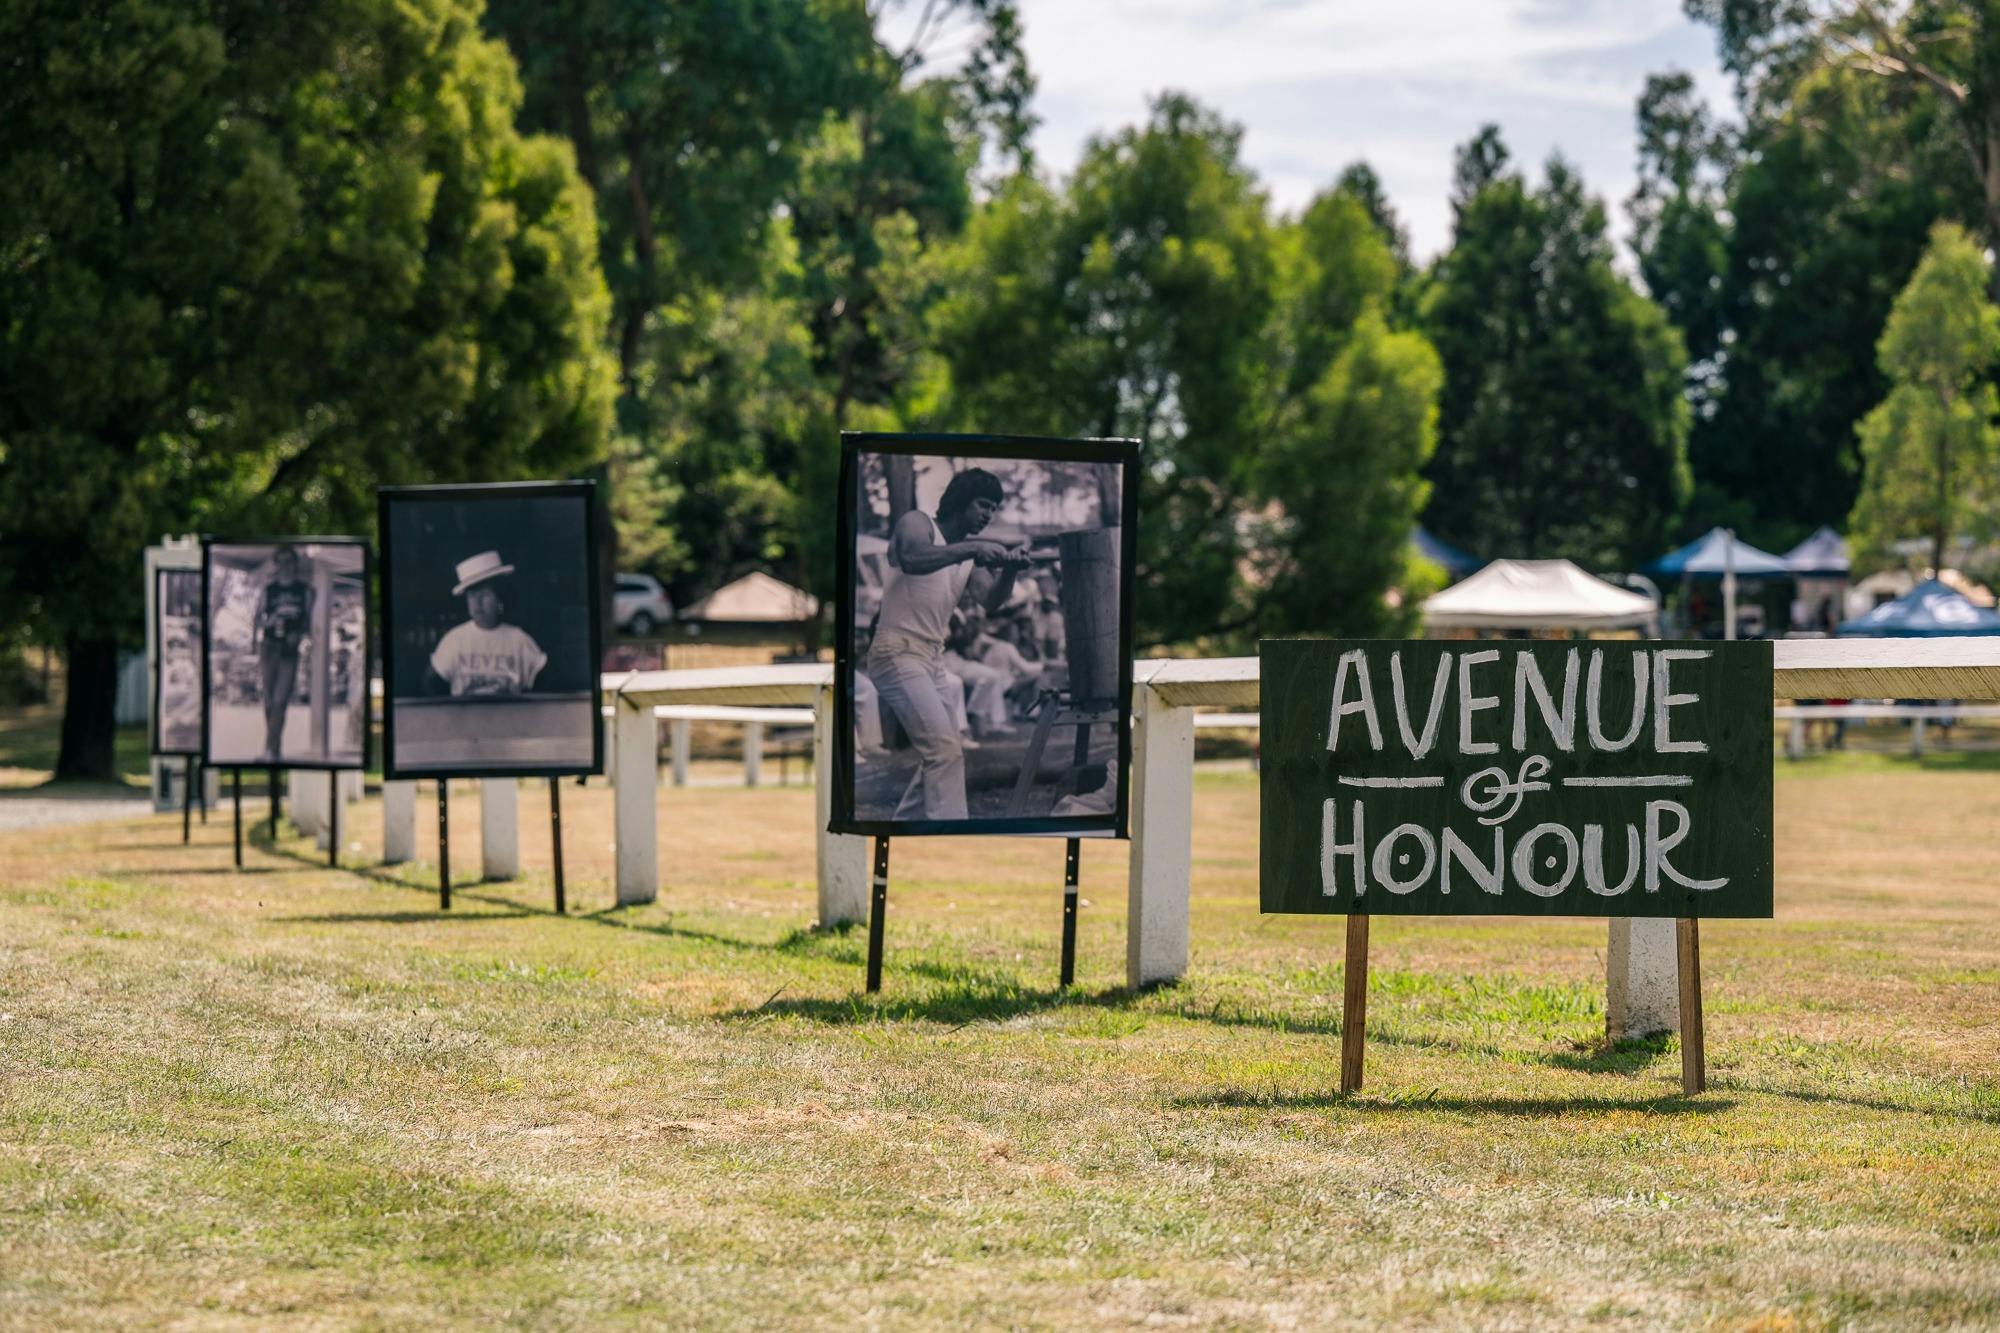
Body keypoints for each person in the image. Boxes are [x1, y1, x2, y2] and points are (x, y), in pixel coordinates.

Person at [865, 468, 1030, 820]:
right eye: (983, 505)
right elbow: (913, 558)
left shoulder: (965, 556)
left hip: (932, 658)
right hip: (895, 652)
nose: (988, 515)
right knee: (944, 752)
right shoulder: (918, 523)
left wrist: (1011, 571)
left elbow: (990, 600)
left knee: (942, 755)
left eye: (994, 509)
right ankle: (952, 831)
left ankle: (903, 826)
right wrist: (973, 547)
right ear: (960, 500)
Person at [428, 551, 548, 696]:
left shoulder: (519, 640)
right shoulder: (455, 640)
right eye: (472, 596)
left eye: (484, 594)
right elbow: (430, 682)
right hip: (465, 718)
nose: (477, 603)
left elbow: (543, 681)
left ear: (499, 598)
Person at [253, 547, 314, 761]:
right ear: (276, 564)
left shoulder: (303, 590)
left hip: (290, 648)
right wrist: (271, 620)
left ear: (295, 564)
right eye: (281, 561)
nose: (285, 566)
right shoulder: (269, 590)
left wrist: (302, 637)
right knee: (269, 701)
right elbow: (258, 619)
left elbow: (309, 623)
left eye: (289, 561)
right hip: (269, 646)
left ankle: (270, 750)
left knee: (280, 700)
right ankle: (274, 750)